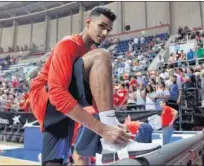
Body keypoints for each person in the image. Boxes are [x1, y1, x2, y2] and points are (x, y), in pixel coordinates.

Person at [29, 6, 130, 166]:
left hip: (61, 109)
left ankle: (110, 127)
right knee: (102, 56)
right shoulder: (68, 44)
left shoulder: (91, 51)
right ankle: (109, 131)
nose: (105, 33)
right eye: (101, 26)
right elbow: (57, 94)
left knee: (54, 160)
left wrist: (113, 126)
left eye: (109, 30)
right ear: (88, 22)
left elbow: (98, 99)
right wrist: (103, 128)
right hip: (46, 97)